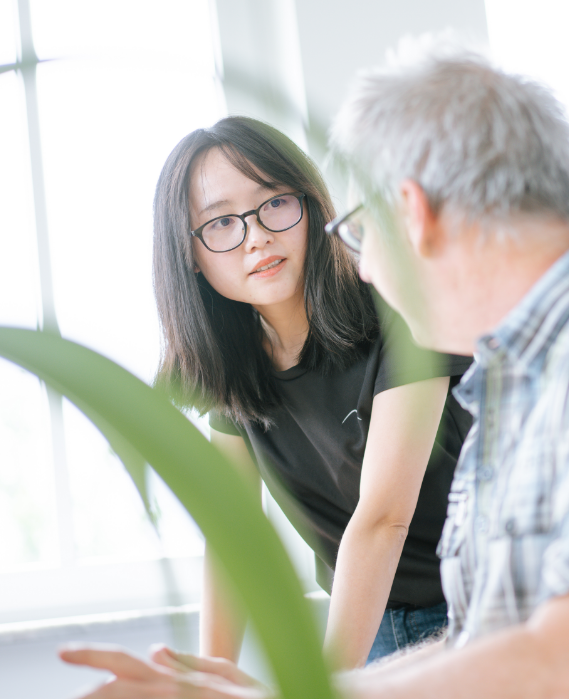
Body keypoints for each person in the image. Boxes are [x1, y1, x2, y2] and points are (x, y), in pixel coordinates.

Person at [49, 37, 569, 699]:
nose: (363, 267)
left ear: (412, 212)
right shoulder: (524, 388)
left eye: (356, 232)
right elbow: (483, 643)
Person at [151, 116, 471, 670]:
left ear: (311, 203)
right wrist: (214, 681)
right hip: (367, 624)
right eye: (221, 222)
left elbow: (383, 518)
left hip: (475, 614)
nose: (256, 236)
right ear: (190, 254)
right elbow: (235, 538)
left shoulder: (398, 308)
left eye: (274, 202)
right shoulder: (235, 369)